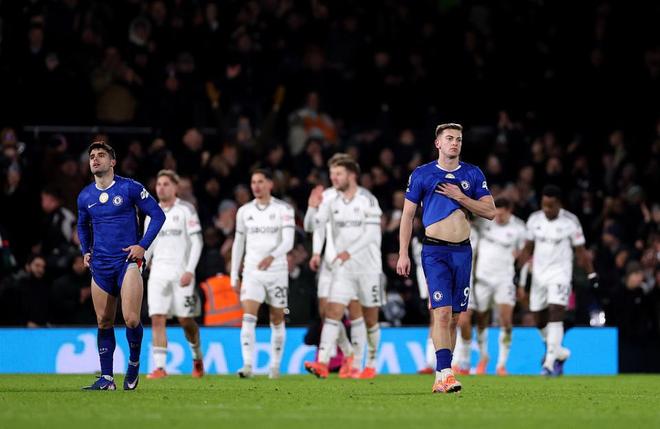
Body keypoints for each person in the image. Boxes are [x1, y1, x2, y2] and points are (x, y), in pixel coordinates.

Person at [397, 123, 495, 394]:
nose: (455, 143)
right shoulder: (422, 174)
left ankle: (441, 375)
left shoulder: (472, 173)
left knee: (454, 318)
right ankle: (448, 373)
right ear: (438, 143)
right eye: (449, 138)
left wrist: (461, 197)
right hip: (434, 251)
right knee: (440, 313)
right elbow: (407, 215)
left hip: (463, 251)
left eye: (459, 139)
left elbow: (490, 211)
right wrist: (403, 253)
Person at [77, 141, 165, 390]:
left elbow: (158, 215)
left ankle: (134, 363)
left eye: (101, 155)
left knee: (131, 319)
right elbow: (82, 225)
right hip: (101, 265)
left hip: (127, 262)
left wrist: (142, 245)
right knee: (103, 321)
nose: (95, 159)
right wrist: (85, 251)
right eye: (92, 156)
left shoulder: (129, 188)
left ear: (113, 162)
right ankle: (107, 379)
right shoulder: (85, 196)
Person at [304, 156, 383, 379]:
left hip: (368, 268)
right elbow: (312, 226)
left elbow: (371, 234)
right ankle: (322, 362)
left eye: (338, 174)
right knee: (332, 312)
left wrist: (350, 251)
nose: (333, 178)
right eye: (332, 174)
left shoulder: (367, 200)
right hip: (342, 268)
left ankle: (370, 363)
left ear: (351, 175)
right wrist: (311, 208)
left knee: (370, 320)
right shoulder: (330, 199)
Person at [518, 185, 599, 376]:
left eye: (551, 206)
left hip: (560, 274)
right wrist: (518, 271)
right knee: (539, 319)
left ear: (559, 204)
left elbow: (581, 251)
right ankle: (559, 352)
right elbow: (527, 248)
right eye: (544, 205)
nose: (547, 209)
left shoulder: (571, 221)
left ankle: (549, 363)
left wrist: (591, 274)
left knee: (556, 311)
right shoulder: (534, 219)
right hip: (539, 276)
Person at [230, 169, 295, 379]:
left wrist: (272, 256)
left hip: (277, 271)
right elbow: (239, 243)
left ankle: (274, 366)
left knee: (277, 318)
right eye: (253, 182)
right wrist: (234, 274)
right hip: (252, 271)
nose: (256, 186)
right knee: (248, 317)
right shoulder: (244, 211)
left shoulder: (283, 209)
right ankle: (247, 365)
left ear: (270, 184)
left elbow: (288, 241)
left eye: (260, 182)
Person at [144, 170, 204, 379]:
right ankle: (160, 367)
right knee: (157, 318)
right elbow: (148, 245)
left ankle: (197, 356)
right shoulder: (151, 214)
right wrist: (142, 264)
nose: (161, 188)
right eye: (158, 184)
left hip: (182, 274)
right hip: (158, 274)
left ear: (175, 187)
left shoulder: (186, 210)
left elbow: (197, 242)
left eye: (166, 184)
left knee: (185, 320)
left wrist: (190, 270)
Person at [471, 197, 526, 375]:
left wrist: (521, 283)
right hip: (482, 279)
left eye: (502, 215)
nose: (499, 217)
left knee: (506, 321)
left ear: (510, 210)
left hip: (505, 279)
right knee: (481, 318)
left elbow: (524, 258)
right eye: (497, 213)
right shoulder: (484, 221)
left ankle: (502, 364)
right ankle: (483, 357)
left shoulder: (519, 228)